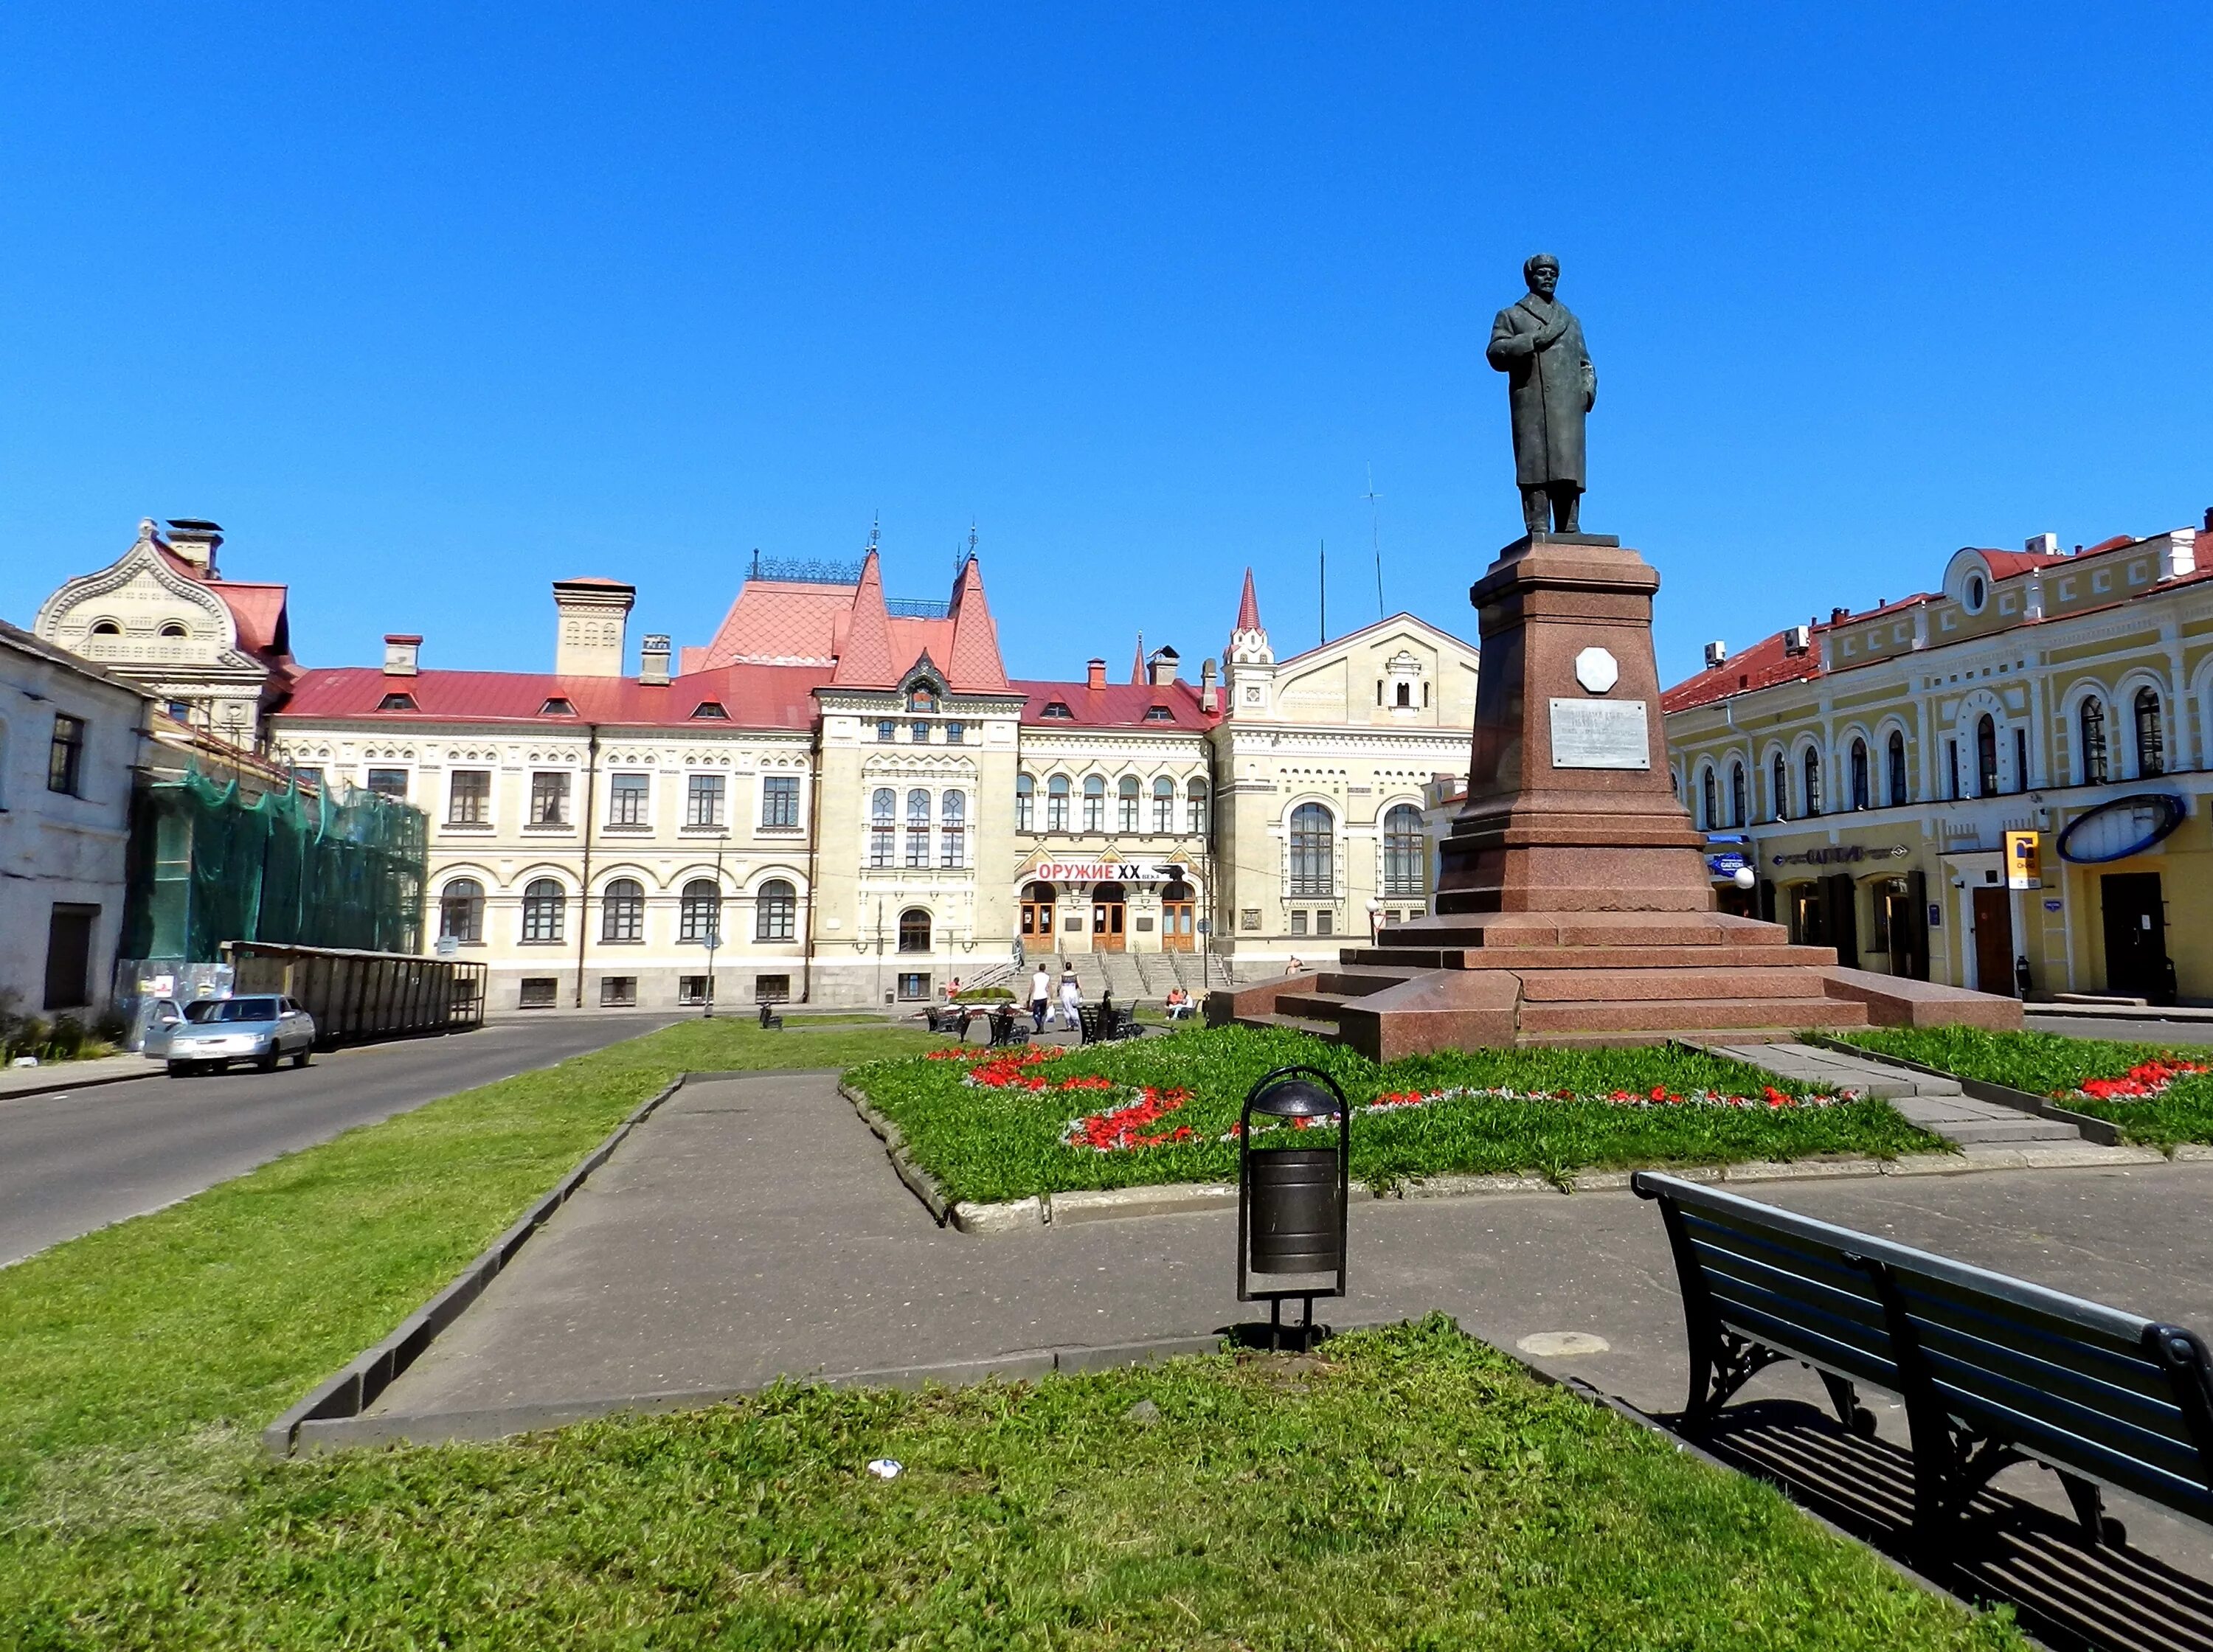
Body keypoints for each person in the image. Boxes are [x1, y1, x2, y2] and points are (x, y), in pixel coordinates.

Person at [1486, 252, 1596, 538]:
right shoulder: (1512, 316)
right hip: (1533, 403)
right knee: (1535, 465)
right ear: (1530, 277)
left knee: (1568, 464)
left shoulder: (1571, 321)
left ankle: (1570, 525)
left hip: (1568, 406)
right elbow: (1496, 353)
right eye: (1542, 272)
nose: (1548, 277)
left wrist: (1587, 390)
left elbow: (1585, 362)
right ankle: (1539, 524)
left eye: (1553, 273)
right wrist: (1531, 340)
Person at [1057, 964, 1082, 1031]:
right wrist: (1081, 992)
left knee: (1066, 1009)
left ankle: (1069, 1025)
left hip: (1065, 993)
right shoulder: (1075, 974)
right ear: (1071, 967)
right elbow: (1079, 984)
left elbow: (1059, 985)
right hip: (1073, 993)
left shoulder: (1062, 975)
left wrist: (1058, 991)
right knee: (1074, 1008)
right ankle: (1075, 1021)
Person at [1028, 962, 1052, 1033]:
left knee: (1035, 1014)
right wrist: (1051, 997)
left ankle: (1039, 1025)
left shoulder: (1035, 976)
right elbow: (1049, 987)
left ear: (1039, 968)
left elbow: (1032, 987)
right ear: (1045, 969)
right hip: (1044, 996)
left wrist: (1029, 997)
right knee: (1042, 1013)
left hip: (1037, 997)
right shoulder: (1047, 977)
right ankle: (1041, 1025)